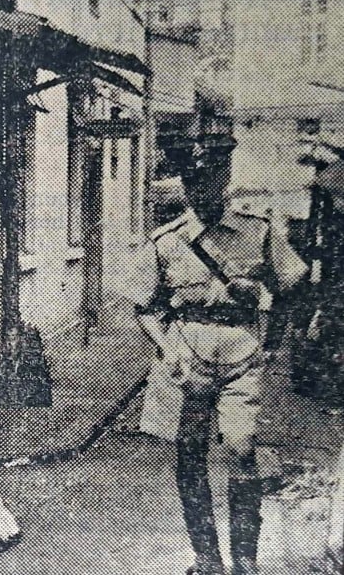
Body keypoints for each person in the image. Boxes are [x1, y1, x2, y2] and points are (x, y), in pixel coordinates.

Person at [129, 128, 307, 575]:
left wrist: (271, 338)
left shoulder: (258, 232)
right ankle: (207, 558)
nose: (200, 190)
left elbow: (292, 288)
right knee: (189, 456)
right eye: (191, 181)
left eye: (208, 180)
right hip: (186, 363)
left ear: (225, 177)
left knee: (241, 450)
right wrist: (166, 349)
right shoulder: (166, 241)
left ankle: (245, 560)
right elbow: (145, 308)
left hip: (241, 360)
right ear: (184, 184)